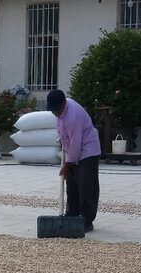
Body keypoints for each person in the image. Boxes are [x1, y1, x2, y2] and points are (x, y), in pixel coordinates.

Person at [47, 89, 101, 233]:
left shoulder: (73, 116)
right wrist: (61, 141)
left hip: (87, 151)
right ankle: (72, 215)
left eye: (57, 110)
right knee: (71, 184)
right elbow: (63, 131)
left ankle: (86, 221)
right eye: (53, 111)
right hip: (73, 150)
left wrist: (67, 164)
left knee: (86, 186)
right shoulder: (59, 111)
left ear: (64, 103)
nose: (55, 113)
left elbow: (76, 143)